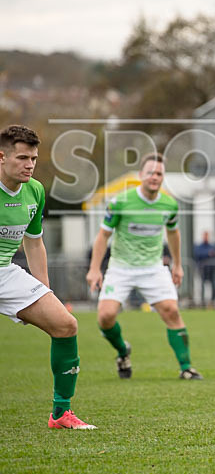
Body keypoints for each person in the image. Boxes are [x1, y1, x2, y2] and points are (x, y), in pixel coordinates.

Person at [0, 125, 95, 429]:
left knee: (66, 324)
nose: (29, 165)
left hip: (6, 271)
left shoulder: (36, 191)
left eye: (34, 158)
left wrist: (43, 292)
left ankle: (61, 413)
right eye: (22, 158)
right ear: (1, 157)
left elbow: (34, 241)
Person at [86, 153, 203, 380]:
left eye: (159, 173)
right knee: (106, 317)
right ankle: (122, 351)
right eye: (150, 172)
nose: (154, 177)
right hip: (121, 268)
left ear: (163, 177)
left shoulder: (169, 203)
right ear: (141, 175)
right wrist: (94, 268)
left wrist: (178, 265)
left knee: (172, 310)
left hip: (153, 268)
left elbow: (173, 233)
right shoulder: (121, 201)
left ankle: (186, 367)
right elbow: (103, 236)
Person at [193, 231, 215, 309]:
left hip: (211, 269)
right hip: (202, 269)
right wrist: (208, 254)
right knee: (202, 285)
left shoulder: (213, 246)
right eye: (205, 235)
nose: (206, 237)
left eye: (207, 236)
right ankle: (202, 301)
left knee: (213, 285)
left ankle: (213, 301)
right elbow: (197, 254)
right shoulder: (199, 246)